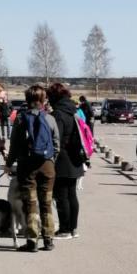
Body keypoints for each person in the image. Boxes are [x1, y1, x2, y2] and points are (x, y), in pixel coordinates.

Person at [7, 84, 60, 251]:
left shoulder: (21, 119)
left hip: (26, 166)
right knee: (46, 202)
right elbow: (57, 145)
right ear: (43, 100)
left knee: (30, 204)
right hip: (47, 165)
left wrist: (9, 163)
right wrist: (50, 160)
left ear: (27, 99)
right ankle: (49, 239)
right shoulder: (50, 119)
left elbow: (14, 145)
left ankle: (32, 241)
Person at [47, 83, 87, 239]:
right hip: (75, 157)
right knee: (72, 195)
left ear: (54, 97)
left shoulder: (58, 113)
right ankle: (73, 228)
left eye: (50, 97)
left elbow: (56, 138)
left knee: (61, 195)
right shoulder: (73, 110)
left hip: (63, 159)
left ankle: (64, 229)